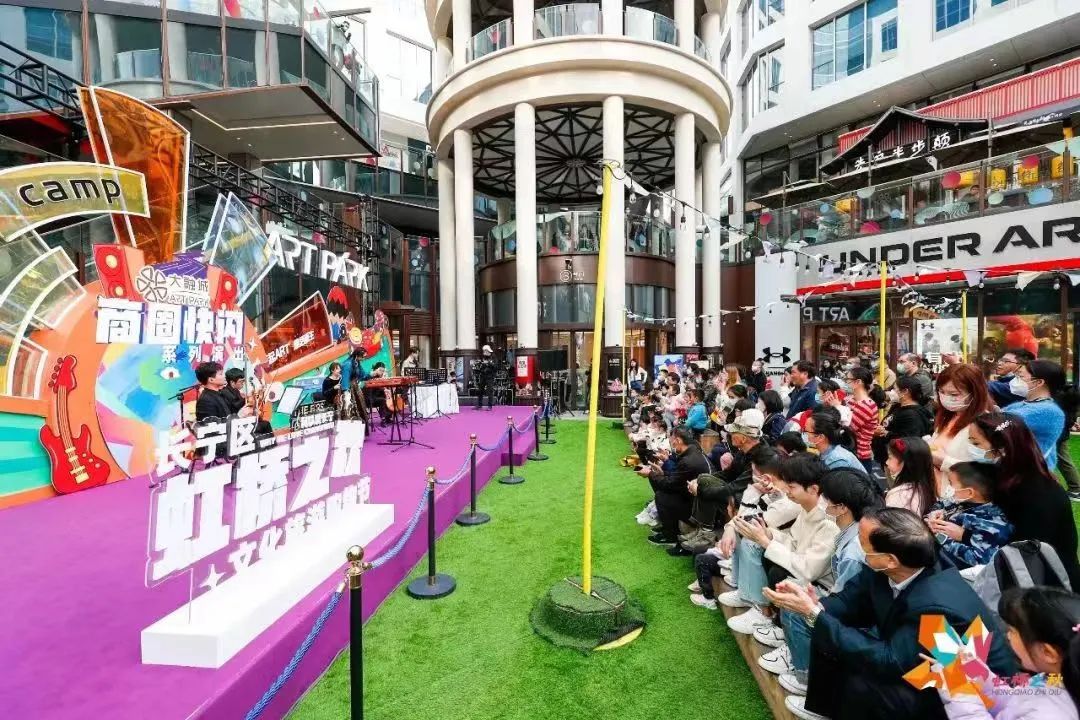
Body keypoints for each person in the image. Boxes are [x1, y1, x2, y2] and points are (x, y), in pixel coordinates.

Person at [767, 507, 1017, 720]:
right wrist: (817, 606)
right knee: (830, 629)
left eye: (862, 542)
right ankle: (825, 706)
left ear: (890, 560)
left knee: (865, 682)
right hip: (928, 661)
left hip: (969, 688)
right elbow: (850, 600)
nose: (858, 546)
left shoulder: (935, 606)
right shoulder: (893, 566)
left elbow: (891, 662)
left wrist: (815, 615)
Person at [760, 469, 882, 696]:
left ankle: (809, 679)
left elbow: (848, 602)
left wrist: (815, 606)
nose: (821, 499)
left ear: (842, 507)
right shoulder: (848, 532)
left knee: (795, 609)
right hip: (847, 603)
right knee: (793, 593)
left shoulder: (854, 548)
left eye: (826, 496)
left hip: (859, 620)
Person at [725, 455, 840, 639]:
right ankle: (769, 614)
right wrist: (769, 534)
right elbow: (793, 541)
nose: (786, 490)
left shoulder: (828, 520)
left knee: (774, 567)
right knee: (764, 551)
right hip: (807, 573)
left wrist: (766, 540)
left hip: (822, 589)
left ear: (813, 489)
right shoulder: (807, 506)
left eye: (791, 486)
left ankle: (780, 628)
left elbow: (808, 571)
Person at [968, 412, 1080, 587]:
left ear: (1003, 447)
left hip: (1045, 584)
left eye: (976, 443)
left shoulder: (1037, 493)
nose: (970, 448)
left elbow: (1024, 552)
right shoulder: (1006, 473)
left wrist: (967, 535)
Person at [934, 586, 1080, 720]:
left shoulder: (1049, 715)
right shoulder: (1054, 679)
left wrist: (957, 686)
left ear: (1048, 653)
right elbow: (1014, 703)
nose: (1008, 636)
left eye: (1013, 631)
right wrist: (976, 670)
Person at [925, 462, 1012, 570]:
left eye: (951, 483)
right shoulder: (962, 499)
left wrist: (939, 536)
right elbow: (941, 503)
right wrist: (935, 513)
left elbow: (977, 560)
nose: (949, 487)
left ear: (969, 492)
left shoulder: (993, 524)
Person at [640, 427, 711, 553]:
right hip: (696, 498)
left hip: (699, 507)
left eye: (671, 440)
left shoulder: (689, 460)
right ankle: (668, 529)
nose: (671, 444)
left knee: (662, 497)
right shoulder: (692, 452)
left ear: (678, 440)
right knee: (662, 489)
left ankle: (670, 536)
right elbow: (677, 478)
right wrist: (661, 472)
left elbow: (671, 484)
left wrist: (651, 473)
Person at [930, 363, 994, 484]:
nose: (946, 398)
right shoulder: (949, 416)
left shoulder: (984, 424)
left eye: (954, 394)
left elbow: (985, 470)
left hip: (961, 490)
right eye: (941, 392)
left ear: (975, 393)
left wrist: (943, 462)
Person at [1004, 359, 1066, 470]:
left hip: (1032, 474)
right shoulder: (1021, 405)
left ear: (1038, 382)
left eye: (1021, 377)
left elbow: (997, 423)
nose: (1015, 381)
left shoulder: (1048, 411)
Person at [874, 375, 934, 465]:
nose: (891, 392)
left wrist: (885, 433)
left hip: (899, 462)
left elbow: (909, 440)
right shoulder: (898, 406)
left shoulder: (912, 415)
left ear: (905, 391)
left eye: (894, 389)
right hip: (888, 459)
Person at [883, 437, 938, 517]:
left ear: (906, 462)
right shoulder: (926, 488)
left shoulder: (899, 497)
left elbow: (892, 523)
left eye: (890, 457)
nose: (886, 462)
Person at [805, 410, 868, 477]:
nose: (804, 435)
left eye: (806, 431)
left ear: (820, 437)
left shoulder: (837, 461)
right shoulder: (827, 450)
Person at [846, 366, 880, 477]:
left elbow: (849, 428)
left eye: (848, 380)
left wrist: (837, 407)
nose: (846, 383)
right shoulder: (852, 400)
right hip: (853, 452)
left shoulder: (866, 405)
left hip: (859, 455)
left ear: (858, 382)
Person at [474, 345, 496, 410]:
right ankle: (479, 404)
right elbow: (480, 367)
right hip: (483, 376)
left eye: (485, 351)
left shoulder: (493, 357)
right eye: (484, 351)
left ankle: (490, 406)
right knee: (480, 390)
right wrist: (479, 364)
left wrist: (488, 363)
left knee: (490, 391)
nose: (484, 352)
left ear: (488, 351)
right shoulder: (483, 358)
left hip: (490, 377)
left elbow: (495, 367)